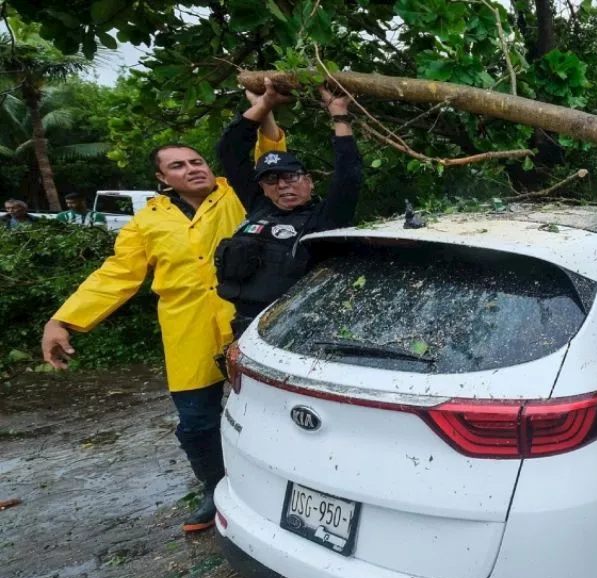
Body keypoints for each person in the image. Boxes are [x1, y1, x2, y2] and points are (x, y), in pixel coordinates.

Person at [40, 110, 287, 535]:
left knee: (273, 410)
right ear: (161, 178)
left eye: (196, 161)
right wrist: (63, 320)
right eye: (178, 165)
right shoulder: (148, 221)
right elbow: (117, 274)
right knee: (196, 421)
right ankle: (216, 488)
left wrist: (263, 110)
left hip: (249, 323)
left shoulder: (240, 196)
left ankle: (284, 489)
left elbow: (272, 157)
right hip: (186, 329)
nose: (192, 169)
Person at [215, 79, 363, 338]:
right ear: (262, 186)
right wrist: (263, 105)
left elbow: (349, 174)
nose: (283, 186)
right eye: (271, 179)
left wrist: (339, 114)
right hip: (246, 329)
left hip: (297, 330)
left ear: (309, 180)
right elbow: (230, 150)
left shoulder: (325, 218)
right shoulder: (259, 205)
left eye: (291, 177)